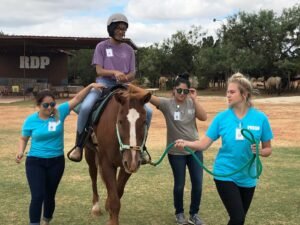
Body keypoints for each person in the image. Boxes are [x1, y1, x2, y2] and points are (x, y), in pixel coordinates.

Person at [175, 72, 273, 225]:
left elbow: (268, 149)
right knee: (238, 218)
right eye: (227, 91)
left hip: (248, 177)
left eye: (232, 92)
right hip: (225, 174)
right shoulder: (221, 118)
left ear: (244, 94)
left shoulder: (261, 119)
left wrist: (261, 151)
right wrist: (187, 143)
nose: (227, 95)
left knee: (238, 220)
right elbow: (203, 144)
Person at [16, 83, 104, 225]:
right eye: (46, 105)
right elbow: (23, 138)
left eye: (52, 104)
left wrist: (90, 86)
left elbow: (77, 99)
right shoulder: (31, 120)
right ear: (38, 105)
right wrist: (20, 151)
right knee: (38, 196)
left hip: (56, 162)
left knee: (49, 196)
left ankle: (46, 219)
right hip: (35, 162)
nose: (50, 108)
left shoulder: (59, 112)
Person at [68, 12, 152, 162]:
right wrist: (114, 72)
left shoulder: (129, 50)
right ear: (111, 29)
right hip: (103, 84)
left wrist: (126, 77)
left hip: (124, 86)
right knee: (86, 107)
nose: (122, 31)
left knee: (149, 112)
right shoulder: (101, 46)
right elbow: (99, 70)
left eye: (124, 28)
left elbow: (133, 72)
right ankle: (79, 146)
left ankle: (142, 148)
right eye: (119, 28)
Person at [149, 73, 207, 225]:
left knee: (198, 184)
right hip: (176, 153)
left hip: (194, 150)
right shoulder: (167, 104)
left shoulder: (191, 102)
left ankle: (194, 214)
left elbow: (204, 117)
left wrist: (195, 99)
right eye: (179, 90)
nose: (182, 94)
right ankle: (179, 213)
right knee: (179, 184)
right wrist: (130, 86)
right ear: (174, 90)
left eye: (185, 91)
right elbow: (149, 97)